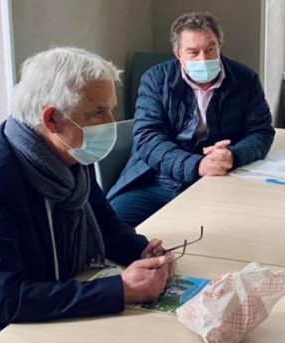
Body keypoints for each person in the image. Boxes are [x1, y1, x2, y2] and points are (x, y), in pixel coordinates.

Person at [0, 47, 174, 343]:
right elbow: (7, 300)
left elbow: (104, 221)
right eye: (98, 113)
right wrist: (121, 289)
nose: (111, 124)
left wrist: (140, 250)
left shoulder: (65, 150)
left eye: (110, 110)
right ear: (52, 119)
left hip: (47, 305)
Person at [108, 12, 275, 227]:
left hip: (219, 182)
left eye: (210, 49)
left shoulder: (245, 78)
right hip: (157, 180)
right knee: (110, 230)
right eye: (193, 52)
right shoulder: (155, 79)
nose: (203, 59)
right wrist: (197, 165)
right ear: (178, 54)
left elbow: (261, 132)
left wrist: (232, 155)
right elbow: (148, 139)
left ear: (220, 45)